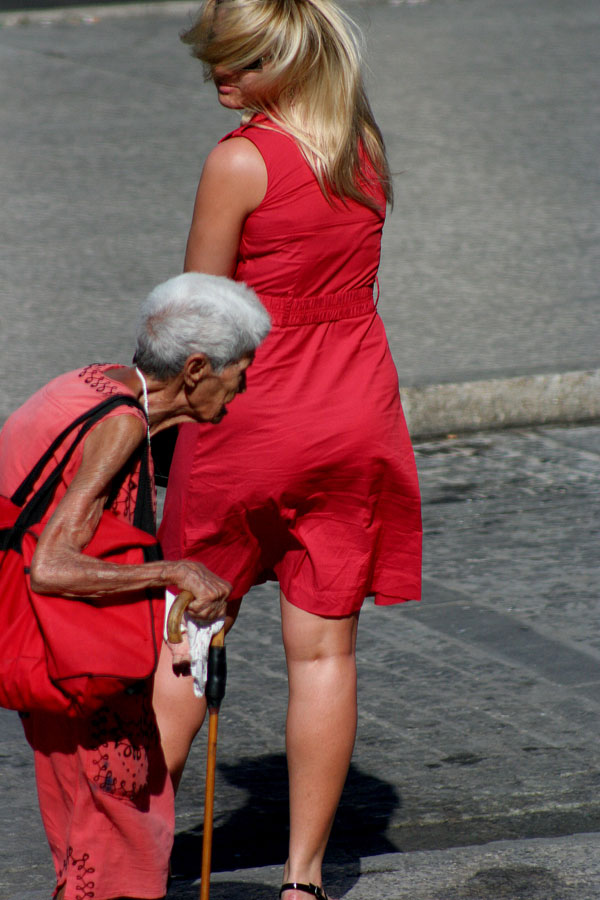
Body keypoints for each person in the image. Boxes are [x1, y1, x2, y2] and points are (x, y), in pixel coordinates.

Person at [156, 2, 423, 898]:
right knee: (325, 655)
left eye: (236, 65)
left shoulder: (240, 160)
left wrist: (147, 424)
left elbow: (198, 319)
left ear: (288, 62)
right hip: (355, 411)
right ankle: (304, 881)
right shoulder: (364, 147)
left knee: (189, 637)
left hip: (255, 415)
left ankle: (129, 859)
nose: (216, 81)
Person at [0, 272, 270, 900]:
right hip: (78, 661)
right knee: (123, 820)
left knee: (82, 820)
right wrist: (173, 571)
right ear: (198, 368)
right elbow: (54, 565)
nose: (244, 386)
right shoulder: (120, 424)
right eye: (241, 370)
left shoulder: (88, 382)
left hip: (45, 650)